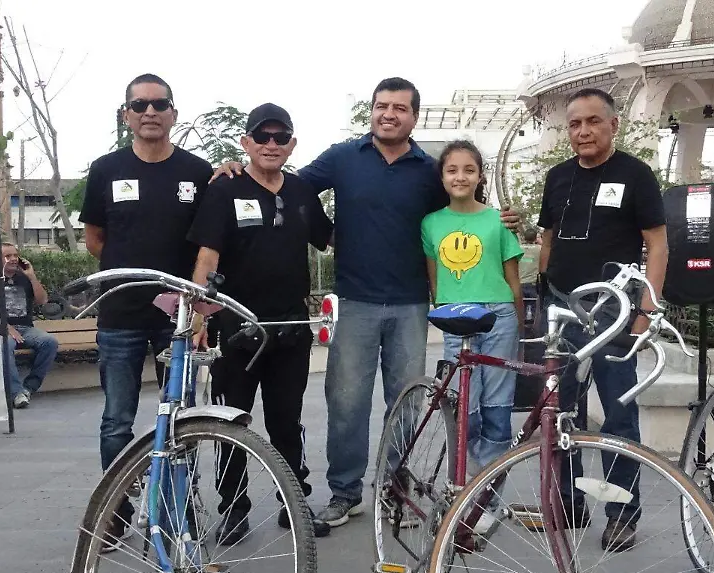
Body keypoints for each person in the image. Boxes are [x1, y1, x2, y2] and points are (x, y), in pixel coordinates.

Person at [213, 77, 521, 529]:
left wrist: (504, 217)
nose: (389, 114)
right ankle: (345, 493)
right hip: (355, 301)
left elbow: (462, 207)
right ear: (372, 111)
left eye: (400, 107)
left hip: (412, 305)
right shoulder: (342, 158)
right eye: (381, 105)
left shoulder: (428, 170)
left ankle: (396, 489)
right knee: (346, 402)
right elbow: (285, 184)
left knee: (407, 402)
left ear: (414, 116)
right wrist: (235, 168)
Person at [78, 73, 214, 549]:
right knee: (118, 420)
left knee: (183, 420)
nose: (150, 112)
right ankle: (116, 511)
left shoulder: (198, 172)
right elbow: (96, 239)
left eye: (160, 104)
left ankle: (180, 515)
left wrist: (197, 310)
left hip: (178, 321)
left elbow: (209, 244)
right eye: (140, 105)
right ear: (126, 115)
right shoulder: (105, 169)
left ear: (174, 114)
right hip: (120, 315)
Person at [188, 103, 334, 543]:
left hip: (290, 329)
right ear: (246, 142)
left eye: (280, 136)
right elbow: (206, 257)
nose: (271, 144)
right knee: (231, 422)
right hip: (236, 330)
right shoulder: (224, 188)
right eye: (262, 136)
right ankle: (234, 508)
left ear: (292, 143)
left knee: (286, 423)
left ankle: (295, 504)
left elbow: (330, 239)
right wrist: (198, 316)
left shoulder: (304, 191)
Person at [536, 87, 668, 552]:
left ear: (613, 125)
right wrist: (542, 290)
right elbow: (548, 238)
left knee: (617, 414)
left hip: (614, 313)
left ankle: (621, 514)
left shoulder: (636, 175)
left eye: (593, 121)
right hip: (562, 309)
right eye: (575, 123)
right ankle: (569, 504)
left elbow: (657, 244)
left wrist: (646, 312)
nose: (583, 131)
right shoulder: (557, 178)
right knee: (561, 412)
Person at [422, 140, 523, 534]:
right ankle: (463, 490)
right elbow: (434, 278)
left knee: (498, 409)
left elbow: (513, 281)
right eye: (452, 170)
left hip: (498, 314)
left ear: (480, 175)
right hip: (455, 317)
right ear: (443, 176)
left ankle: (489, 501)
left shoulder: (499, 220)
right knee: (466, 410)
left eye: (468, 169)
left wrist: (517, 325)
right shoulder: (431, 223)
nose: (460, 176)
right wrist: (441, 310)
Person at [0, 242, 57, 409]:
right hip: (3, 330)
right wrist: (7, 327)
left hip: (26, 328)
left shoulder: (24, 278)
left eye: (15, 255)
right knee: (5, 345)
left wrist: (32, 276)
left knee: (49, 342)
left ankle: (28, 388)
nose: (12, 259)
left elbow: (42, 301)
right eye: (7, 256)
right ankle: (16, 393)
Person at [517, 227, 541, 326]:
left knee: (521, 306)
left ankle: (521, 327)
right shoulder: (539, 249)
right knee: (535, 307)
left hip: (519, 283)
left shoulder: (518, 248)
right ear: (535, 238)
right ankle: (533, 329)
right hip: (532, 283)